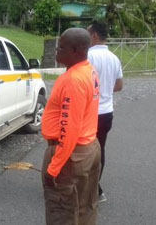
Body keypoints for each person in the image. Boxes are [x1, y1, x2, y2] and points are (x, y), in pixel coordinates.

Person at [41, 28, 101, 225]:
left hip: (71, 155)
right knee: (85, 206)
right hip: (89, 146)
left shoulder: (73, 80)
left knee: (62, 211)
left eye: (61, 47)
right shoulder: (88, 70)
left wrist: (54, 167)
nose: (57, 51)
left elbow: (69, 128)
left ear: (75, 51)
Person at [87, 22, 123, 203]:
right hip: (107, 112)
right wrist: (104, 90)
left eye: (87, 33)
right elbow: (119, 86)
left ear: (94, 36)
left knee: (82, 150)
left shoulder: (88, 56)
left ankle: (90, 188)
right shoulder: (114, 58)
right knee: (100, 149)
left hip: (89, 113)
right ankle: (95, 188)